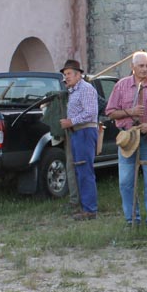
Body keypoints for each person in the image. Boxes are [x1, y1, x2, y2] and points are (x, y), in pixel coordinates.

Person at [105, 51, 147, 231]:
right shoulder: (121, 86)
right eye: (141, 66)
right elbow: (110, 112)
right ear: (132, 67)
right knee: (126, 181)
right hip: (128, 138)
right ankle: (131, 219)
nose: (144, 69)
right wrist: (130, 112)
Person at [59, 59, 100, 220]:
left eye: (69, 74)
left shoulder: (86, 89)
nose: (66, 77)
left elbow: (90, 112)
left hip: (85, 131)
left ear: (78, 75)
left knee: (85, 170)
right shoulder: (73, 91)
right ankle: (85, 207)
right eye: (65, 74)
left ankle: (90, 209)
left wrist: (71, 122)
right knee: (79, 170)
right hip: (76, 133)